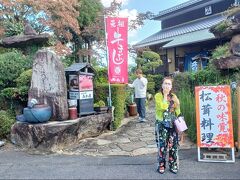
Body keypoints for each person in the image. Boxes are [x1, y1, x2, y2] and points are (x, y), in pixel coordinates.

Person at [154, 77, 180, 174]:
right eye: (165, 83)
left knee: (173, 146)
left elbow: (178, 110)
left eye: (169, 84)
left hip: (172, 125)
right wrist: (165, 95)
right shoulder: (158, 96)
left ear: (171, 86)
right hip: (161, 124)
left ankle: (173, 165)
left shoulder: (174, 96)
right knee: (162, 146)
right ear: (162, 85)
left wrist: (179, 121)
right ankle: (161, 165)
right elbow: (163, 107)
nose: (167, 85)